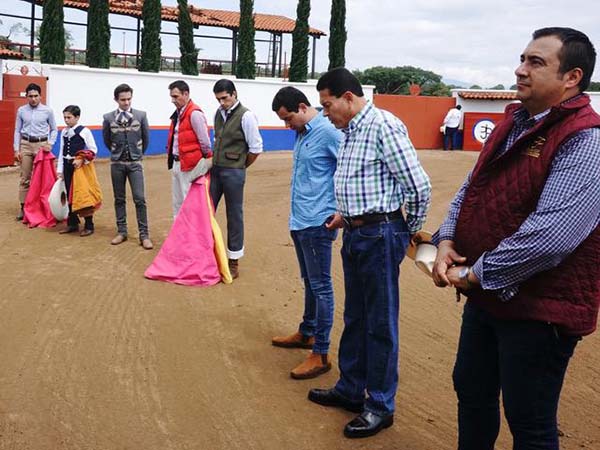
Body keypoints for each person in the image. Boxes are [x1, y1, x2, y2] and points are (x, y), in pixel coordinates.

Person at [431, 27, 600, 450]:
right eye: (523, 59)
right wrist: (447, 239)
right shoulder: (514, 121)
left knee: (530, 421)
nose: (520, 70)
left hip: (540, 311)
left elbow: (552, 237)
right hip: (487, 297)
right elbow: (471, 189)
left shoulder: (586, 139)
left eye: (535, 62)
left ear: (572, 77)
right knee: (471, 392)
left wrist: (473, 273)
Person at [307, 68, 431, 438]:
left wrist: (404, 230)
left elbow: (419, 186)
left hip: (380, 235)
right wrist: (345, 215)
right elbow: (364, 184)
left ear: (348, 98)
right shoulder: (350, 131)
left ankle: (379, 404)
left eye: (327, 105)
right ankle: (350, 389)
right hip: (356, 233)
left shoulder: (382, 126)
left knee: (379, 322)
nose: (325, 113)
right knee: (356, 316)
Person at [270, 87, 342, 380]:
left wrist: (340, 209)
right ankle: (308, 331)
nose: (288, 126)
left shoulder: (329, 132)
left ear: (302, 107)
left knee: (321, 286)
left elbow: (348, 170)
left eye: (289, 119)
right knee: (310, 282)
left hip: (318, 221)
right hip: (300, 219)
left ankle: (321, 352)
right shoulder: (303, 134)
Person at [210, 79, 263, 279]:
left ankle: (233, 260)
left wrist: (240, 166)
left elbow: (255, 148)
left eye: (225, 98)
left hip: (234, 172)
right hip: (216, 170)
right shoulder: (218, 113)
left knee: (234, 215)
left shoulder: (246, 116)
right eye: (218, 99)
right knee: (206, 211)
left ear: (234, 94)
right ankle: (205, 254)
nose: (222, 102)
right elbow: (216, 140)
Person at [102, 83, 153, 250]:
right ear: (116, 99)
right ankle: (122, 231)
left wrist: (137, 154)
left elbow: (146, 139)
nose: (126, 102)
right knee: (119, 199)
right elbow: (107, 140)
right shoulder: (108, 118)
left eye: (129, 99)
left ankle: (144, 235)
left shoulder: (141, 115)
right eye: (123, 100)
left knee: (140, 198)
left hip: (135, 163)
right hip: (117, 164)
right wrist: (117, 153)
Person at [167, 80, 213, 217]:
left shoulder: (194, 114)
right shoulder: (179, 114)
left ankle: (191, 230)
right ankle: (179, 230)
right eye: (172, 97)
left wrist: (202, 162)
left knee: (188, 201)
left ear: (186, 94)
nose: (173, 100)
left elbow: (205, 142)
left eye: (175, 96)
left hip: (190, 165)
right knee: (178, 202)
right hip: (178, 162)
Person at [13, 83, 57, 221]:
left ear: (40, 96)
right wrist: (16, 149)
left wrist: (50, 143)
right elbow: (17, 130)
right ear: (26, 96)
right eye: (30, 96)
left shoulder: (47, 111)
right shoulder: (21, 110)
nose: (33, 99)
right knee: (25, 177)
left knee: (43, 178)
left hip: (41, 145)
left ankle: (42, 207)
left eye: (36, 96)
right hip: (25, 144)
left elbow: (54, 129)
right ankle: (23, 207)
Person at [56, 105, 98, 236]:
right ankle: (72, 223)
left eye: (69, 117)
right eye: (64, 117)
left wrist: (82, 160)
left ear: (77, 117)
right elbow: (62, 151)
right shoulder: (64, 132)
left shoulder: (85, 131)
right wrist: (60, 169)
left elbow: (93, 150)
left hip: (79, 167)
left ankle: (89, 224)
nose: (66, 120)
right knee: (69, 193)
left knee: (82, 194)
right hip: (67, 166)